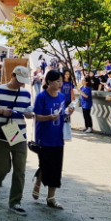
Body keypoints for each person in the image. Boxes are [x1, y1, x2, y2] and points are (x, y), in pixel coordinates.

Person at [0, 66, 33, 215]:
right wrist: (1, 111)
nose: (21, 84)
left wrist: (29, 114)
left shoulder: (25, 93)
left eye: (23, 82)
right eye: (19, 80)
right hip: (1, 134)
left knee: (20, 169)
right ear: (12, 75)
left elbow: (27, 110)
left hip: (19, 134)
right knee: (3, 167)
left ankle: (15, 202)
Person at [32, 69, 74, 210]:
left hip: (58, 137)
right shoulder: (41, 97)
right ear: (49, 82)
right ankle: (38, 181)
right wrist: (49, 117)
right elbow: (37, 116)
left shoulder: (62, 97)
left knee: (56, 167)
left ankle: (51, 197)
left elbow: (62, 113)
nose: (60, 83)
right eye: (58, 81)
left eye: (61, 81)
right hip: (43, 136)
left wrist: (68, 113)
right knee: (45, 163)